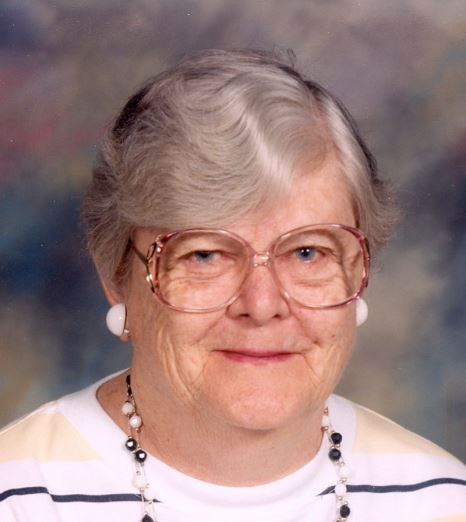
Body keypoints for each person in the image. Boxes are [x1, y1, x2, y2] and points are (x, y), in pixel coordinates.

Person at [0, 49, 464, 522]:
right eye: (205, 255)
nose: (261, 305)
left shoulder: (442, 501)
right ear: (116, 275)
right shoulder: (19, 498)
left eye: (308, 252)